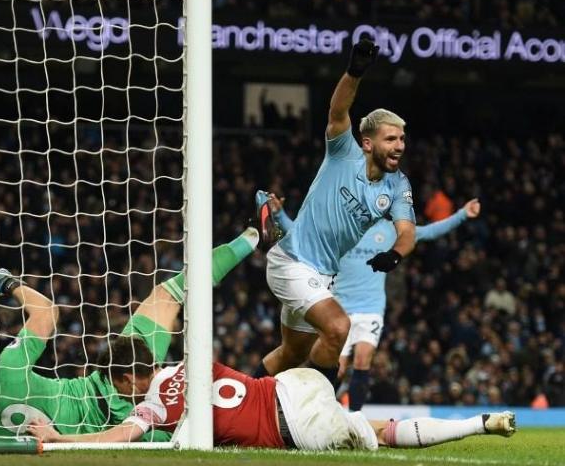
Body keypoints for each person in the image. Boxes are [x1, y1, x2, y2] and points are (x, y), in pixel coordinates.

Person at [0, 228, 259, 442]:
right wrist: (8, 284)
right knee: (168, 294)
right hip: (109, 383)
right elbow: (47, 312)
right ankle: (252, 239)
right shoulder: (6, 368)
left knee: (194, 435)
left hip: (113, 428)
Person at [26, 335, 516, 450]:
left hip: (294, 428)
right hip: (294, 383)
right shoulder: (189, 359)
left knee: (379, 436)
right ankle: (482, 421)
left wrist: (55, 438)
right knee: (377, 425)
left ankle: (479, 425)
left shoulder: (152, 403)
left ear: (126, 379)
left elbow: (116, 438)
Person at [255, 38, 416, 385]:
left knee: (292, 355)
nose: (399, 146)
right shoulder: (344, 152)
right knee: (338, 328)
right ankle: (322, 413)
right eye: (391, 139)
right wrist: (355, 72)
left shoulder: (398, 186)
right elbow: (338, 112)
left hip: (323, 276)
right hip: (292, 262)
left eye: (402, 139)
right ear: (369, 143)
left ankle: (239, 402)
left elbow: (407, 232)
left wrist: (395, 255)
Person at [257, 191, 482, 411]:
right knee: (339, 367)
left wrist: (462, 214)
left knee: (363, 359)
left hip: (370, 308)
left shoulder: (391, 231)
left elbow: (428, 232)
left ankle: (355, 415)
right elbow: (300, 233)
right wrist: (279, 214)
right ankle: (313, 409)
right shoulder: (343, 226)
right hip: (338, 307)